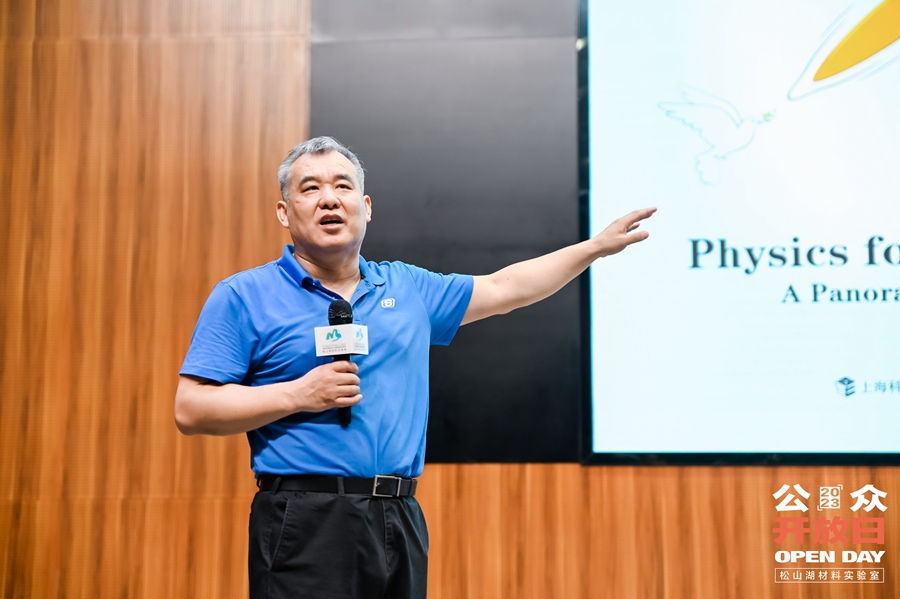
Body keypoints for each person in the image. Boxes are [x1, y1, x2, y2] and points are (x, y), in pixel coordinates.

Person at [175, 136, 655, 598]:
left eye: (342, 186)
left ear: (366, 207)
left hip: (398, 515)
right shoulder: (244, 296)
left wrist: (593, 248)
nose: (330, 199)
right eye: (310, 188)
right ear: (284, 212)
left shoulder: (406, 288)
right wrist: (297, 394)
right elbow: (192, 409)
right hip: (303, 519)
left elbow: (506, 288)